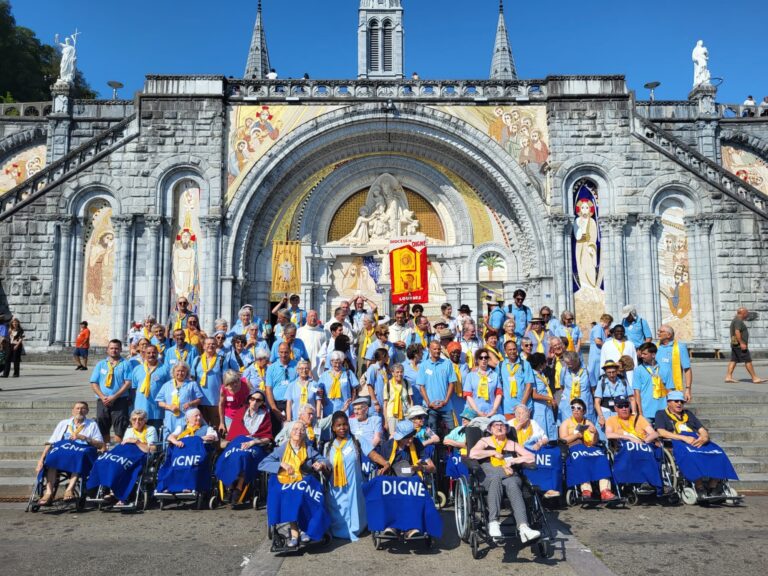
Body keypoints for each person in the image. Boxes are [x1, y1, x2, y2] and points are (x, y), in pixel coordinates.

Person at [258, 420, 330, 548]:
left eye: (302, 429)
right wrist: (281, 464)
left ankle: (305, 529)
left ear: (304, 433)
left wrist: (321, 464)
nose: (299, 431)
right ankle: (295, 533)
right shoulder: (282, 449)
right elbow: (263, 464)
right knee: (292, 496)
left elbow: (324, 460)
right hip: (286, 482)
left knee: (302, 495)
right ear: (290, 432)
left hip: (303, 482)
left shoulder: (308, 449)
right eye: (295, 429)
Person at [469, 415, 540, 542]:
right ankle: (494, 523)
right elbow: (473, 453)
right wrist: (492, 452)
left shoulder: (512, 444)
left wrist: (514, 460)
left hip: (509, 474)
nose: (499, 427)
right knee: (496, 479)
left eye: (502, 425)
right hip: (489, 475)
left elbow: (531, 457)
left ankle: (524, 527)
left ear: (507, 429)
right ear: (490, 429)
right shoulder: (484, 441)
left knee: (513, 484)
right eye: (496, 425)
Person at [654, 391, 736, 497]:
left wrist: (705, 437)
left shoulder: (688, 414)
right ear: (669, 402)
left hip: (696, 440)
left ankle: (713, 485)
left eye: (681, 402)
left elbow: (702, 429)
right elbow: (661, 432)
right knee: (692, 455)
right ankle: (699, 486)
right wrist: (683, 437)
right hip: (678, 442)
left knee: (718, 453)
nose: (679, 403)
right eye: (676, 401)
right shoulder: (661, 414)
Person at [325, 410, 391, 541]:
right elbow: (326, 465)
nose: (342, 428)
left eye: (345, 424)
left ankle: (356, 529)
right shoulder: (328, 446)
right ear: (333, 427)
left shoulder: (357, 440)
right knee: (337, 507)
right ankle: (338, 530)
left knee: (354, 507)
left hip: (354, 483)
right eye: (338, 425)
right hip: (335, 485)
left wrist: (385, 463)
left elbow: (372, 454)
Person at [36, 401, 105, 505]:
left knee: (79, 457)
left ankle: (70, 489)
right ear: (72, 411)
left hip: (80, 451)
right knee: (52, 458)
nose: (80, 410)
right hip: (63, 450)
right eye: (77, 408)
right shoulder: (63, 423)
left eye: (83, 408)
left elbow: (100, 445)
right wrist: (41, 460)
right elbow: (51, 442)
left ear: (87, 411)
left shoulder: (92, 424)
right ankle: (48, 493)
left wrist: (84, 438)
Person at [559, 398, 614, 500]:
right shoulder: (566, 423)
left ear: (583, 411)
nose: (575, 410)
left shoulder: (588, 422)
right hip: (574, 447)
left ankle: (605, 490)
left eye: (578, 408)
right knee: (581, 459)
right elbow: (563, 440)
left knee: (601, 458)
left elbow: (594, 441)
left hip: (589, 447)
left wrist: (595, 433)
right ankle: (586, 489)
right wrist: (577, 435)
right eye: (573, 408)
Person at [89, 339, 132, 443]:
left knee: (120, 427)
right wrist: (103, 396)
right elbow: (94, 382)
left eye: (117, 348)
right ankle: (105, 449)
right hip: (102, 400)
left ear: (121, 349)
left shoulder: (126, 364)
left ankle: (117, 450)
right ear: (107, 350)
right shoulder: (101, 364)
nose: (114, 350)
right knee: (102, 426)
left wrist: (114, 397)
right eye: (111, 348)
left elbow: (128, 383)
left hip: (120, 400)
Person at [417, 340, 458, 432]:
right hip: (430, 407)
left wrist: (446, 401)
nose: (437, 351)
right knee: (431, 433)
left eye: (439, 349)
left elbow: (452, 383)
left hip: (446, 406)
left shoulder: (447, 363)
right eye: (434, 349)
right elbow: (421, 386)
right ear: (429, 350)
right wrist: (428, 403)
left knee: (452, 432)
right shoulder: (423, 365)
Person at [129, 344, 170, 431]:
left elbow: (169, 388)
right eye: (149, 353)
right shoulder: (137, 369)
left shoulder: (165, 369)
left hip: (157, 411)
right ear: (144, 354)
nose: (151, 355)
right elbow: (134, 389)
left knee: (156, 439)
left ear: (157, 354)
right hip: (140, 411)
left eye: (154, 353)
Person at [155, 362, 203, 436]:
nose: (180, 373)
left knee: (186, 438)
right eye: (178, 371)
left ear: (186, 372)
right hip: (171, 418)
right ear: (173, 372)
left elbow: (199, 399)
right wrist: (169, 406)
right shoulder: (166, 385)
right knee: (170, 438)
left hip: (186, 417)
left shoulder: (192, 384)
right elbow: (159, 401)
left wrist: (190, 403)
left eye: (183, 371)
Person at [725, 307, 766, 384]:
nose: (747, 315)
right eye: (746, 313)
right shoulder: (738, 321)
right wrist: (742, 343)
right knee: (748, 360)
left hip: (735, 345)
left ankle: (728, 377)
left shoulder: (735, 320)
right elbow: (737, 332)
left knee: (733, 360)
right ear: (743, 313)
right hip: (739, 345)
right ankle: (755, 378)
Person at [192, 337, 226, 429]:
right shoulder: (197, 360)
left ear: (216, 346)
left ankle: (216, 444)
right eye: (208, 344)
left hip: (215, 401)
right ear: (203, 346)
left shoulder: (222, 360)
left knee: (216, 429)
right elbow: (192, 378)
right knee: (201, 429)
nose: (210, 346)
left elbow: (225, 379)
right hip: (200, 401)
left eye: (213, 344)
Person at [656, 324, 693, 401]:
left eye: (661, 331)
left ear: (668, 335)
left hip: (673, 388)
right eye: (658, 331)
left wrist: (688, 389)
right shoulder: (655, 347)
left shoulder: (680, 347)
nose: (658, 333)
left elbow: (687, 369)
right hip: (656, 387)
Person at [633, 342, 669, 422]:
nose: (642, 356)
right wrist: (640, 412)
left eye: (645, 354)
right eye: (641, 354)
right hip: (646, 412)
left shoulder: (664, 369)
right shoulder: (638, 370)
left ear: (653, 355)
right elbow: (637, 392)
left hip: (663, 411)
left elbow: (669, 389)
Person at [265, 342, 299, 426]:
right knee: (276, 433)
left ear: (290, 352)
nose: (283, 355)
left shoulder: (297, 366)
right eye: (281, 352)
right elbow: (268, 389)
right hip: (277, 404)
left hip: (293, 403)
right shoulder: (271, 368)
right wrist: (274, 408)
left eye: (286, 352)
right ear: (278, 352)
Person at [595, 360, 635, 429]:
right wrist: (601, 416)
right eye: (609, 372)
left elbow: (631, 398)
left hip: (622, 412)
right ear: (605, 372)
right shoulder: (601, 381)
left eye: (613, 372)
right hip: (606, 412)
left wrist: (634, 413)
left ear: (617, 371)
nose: (611, 375)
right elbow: (597, 402)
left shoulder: (623, 380)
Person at [559, 351, 596, 424]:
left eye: (571, 364)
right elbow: (562, 386)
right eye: (567, 364)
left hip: (585, 404)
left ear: (577, 360)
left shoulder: (588, 370)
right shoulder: (564, 370)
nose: (569, 366)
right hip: (568, 406)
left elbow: (593, 389)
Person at [500, 339, 534, 418]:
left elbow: (529, 386)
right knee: (511, 429)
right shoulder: (501, 365)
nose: (512, 352)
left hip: (525, 407)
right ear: (505, 351)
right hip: (508, 408)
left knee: (525, 430)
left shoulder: (525, 364)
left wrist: (521, 405)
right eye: (509, 350)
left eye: (514, 349)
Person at [464, 349, 503, 417]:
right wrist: (477, 411)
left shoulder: (495, 375)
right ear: (477, 360)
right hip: (474, 413)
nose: (483, 359)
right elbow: (468, 395)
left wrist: (493, 410)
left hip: (491, 412)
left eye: (486, 357)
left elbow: (499, 394)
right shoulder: (470, 376)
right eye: (481, 358)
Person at [318, 350, 358, 416]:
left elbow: (355, 388)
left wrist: (353, 401)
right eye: (335, 362)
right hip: (329, 408)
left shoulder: (348, 372)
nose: (337, 365)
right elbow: (319, 389)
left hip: (346, 407)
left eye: (340, 363)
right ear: (331, 362)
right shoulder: (325, 375)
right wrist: (322, 401)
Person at [218, 369, 251, 438]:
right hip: (230, 415)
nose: (235, 384)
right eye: (232, 383)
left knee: (247, 436)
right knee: (234, 437)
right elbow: (221, 405)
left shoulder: (246, 383)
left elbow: (254, 396)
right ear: (227, 384)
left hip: (246, 413)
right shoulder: (223, 389)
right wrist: (221, 422)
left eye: (237, 380)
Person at [382, 362, 413, 435]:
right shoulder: (388, 385)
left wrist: (411, 415)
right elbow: (385, 404)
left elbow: (411, 400)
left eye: (401, 372)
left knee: (406, 435)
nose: (400, 374)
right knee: (394, 436)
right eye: (397, 372)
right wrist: (386, 421)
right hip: (392, 415)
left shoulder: (407, 383)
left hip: (405, 414)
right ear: (392, 373)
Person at [297, 310, 327, 378]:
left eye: (315, 316)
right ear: (307, 318)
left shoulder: (323, 332)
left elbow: (325, 350)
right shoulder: (300, 331)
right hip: (303, 364)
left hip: (318, 364)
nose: (313, 318)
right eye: (311, 316)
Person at [587, 314, 612, 389]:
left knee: (597, 373)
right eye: (609, 323)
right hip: (596, 355)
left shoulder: (601, 329)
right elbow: (598, 341)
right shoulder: (598, 328)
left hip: (598, 355)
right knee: (594, 374)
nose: (608, 326)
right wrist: (607, 346)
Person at [364, 348, 391, 416]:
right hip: (377, 401)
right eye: (387, 355)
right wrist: (375, 402)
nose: (389, 357)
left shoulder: (385, 368)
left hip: (385, 400)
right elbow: (370, 386)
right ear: (383, 356)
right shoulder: (373, 368)